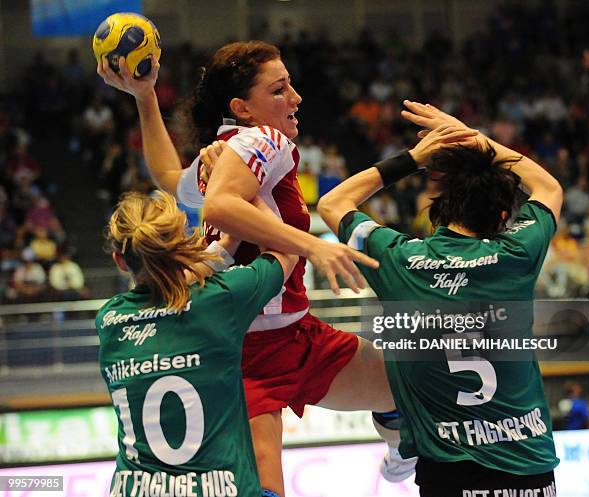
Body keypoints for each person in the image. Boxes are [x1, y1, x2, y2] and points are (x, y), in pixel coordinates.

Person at [97, 40, 409, 496]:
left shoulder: (224, 152)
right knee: (265, 486)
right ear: (242, 107)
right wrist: (315, 248)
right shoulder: (264, 139)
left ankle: (404, 447)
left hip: (297, 333)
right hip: (246, 348)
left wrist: (144, 97)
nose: (296, 98)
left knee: (405, 386)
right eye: (280, 90)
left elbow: (167, 178)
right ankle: (405, 444)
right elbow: (220, 208)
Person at [318, 101, 563, 497]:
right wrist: (474, 138)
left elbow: (332, 203)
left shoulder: (399, 259)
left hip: (449, 474)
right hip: (528, 469)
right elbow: (549, 186)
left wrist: (413, 158)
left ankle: (396, 435)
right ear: (503, 218)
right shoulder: (518, 254)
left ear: (439, 210)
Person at [97, 190, 297, 497]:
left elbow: (171, 282)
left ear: (120, 261)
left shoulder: (109, 320)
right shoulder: (221, 299)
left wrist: (225, 248)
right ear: (183, 246)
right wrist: (244, 191)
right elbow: (286, 251)